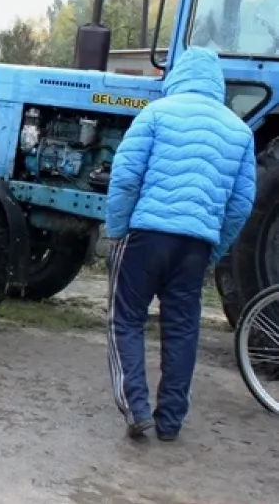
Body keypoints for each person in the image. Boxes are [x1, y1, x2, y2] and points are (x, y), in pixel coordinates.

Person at [104, 46, 256, 442]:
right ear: (217, 82)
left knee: (126, 318)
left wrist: (117, 229)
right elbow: (240, 204)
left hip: (146, 236)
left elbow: (124, 176)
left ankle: (136, 408)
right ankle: (170, 421)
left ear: (178, 74)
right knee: (183, 329)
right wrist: (215, 248)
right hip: (196, 245)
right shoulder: (239, 132)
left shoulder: (156, 114)